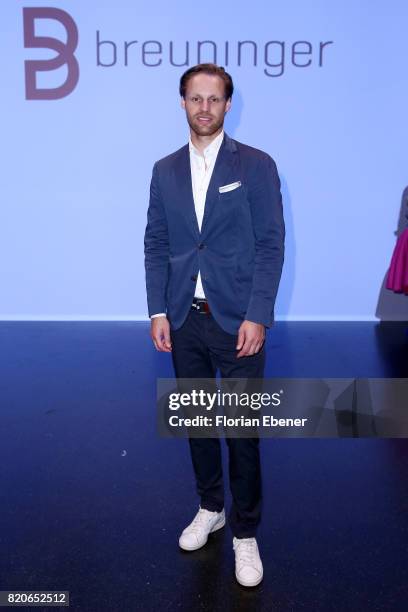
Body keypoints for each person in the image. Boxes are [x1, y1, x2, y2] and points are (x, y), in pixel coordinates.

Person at [144, 63, 285, 587]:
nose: (205, 107)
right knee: (200, 425)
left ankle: (246, 533)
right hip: (184, 320)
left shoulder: (256, 165)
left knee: (243, 433)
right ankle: (211, 507)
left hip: (237, 322)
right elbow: (157, 242)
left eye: (214, 99)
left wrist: (258, 314)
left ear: (228, 105)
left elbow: (271, 244)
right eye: (195, 98)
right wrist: (158, 309)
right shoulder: (164, 170)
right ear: (182, 103)